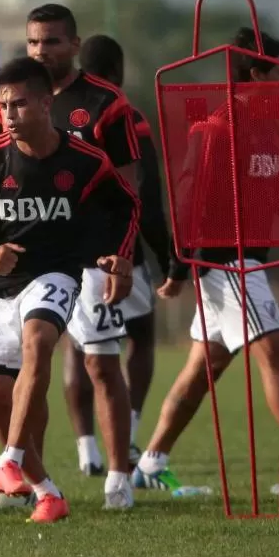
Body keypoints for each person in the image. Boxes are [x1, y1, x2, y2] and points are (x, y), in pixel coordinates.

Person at [132, 27, 279, 494]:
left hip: (249, 261)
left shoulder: (265, 129)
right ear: (255, 73)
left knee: (205, 368)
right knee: (278, 353)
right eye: (278, 72)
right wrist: (179, 268)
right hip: (227, 264)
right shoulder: (216, 129)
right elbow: (189, 200)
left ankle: (151, 463)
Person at [0, 56, 140, 522]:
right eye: (4, 105)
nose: (8, 115)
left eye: (20, 104)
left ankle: (8, 462)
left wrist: (121, 256)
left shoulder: (87, 162)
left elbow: (126, 204)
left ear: (47, 105)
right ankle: (47, 492)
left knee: (39, 342)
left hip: (55, 275)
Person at [0, 5, 142, 502]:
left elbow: (129, 188)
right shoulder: (5, 103)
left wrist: (123, 255)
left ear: (74, 45)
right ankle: (36, 480)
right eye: (33, 42)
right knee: (28, 368)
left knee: (100, 363)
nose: (41, 51)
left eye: (51, 42)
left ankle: (118, 477)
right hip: (26, 262)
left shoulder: (106, 102)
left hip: (88, 260)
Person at [74, 33, 171, 467]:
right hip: (118, 247)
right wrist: (166, 254)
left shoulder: (53, 109)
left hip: (66, 249)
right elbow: (144, 193)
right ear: (117, 72)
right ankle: (128, 432)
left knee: (78, 345)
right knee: (139, 337)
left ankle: (87, 449)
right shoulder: (125, 114)